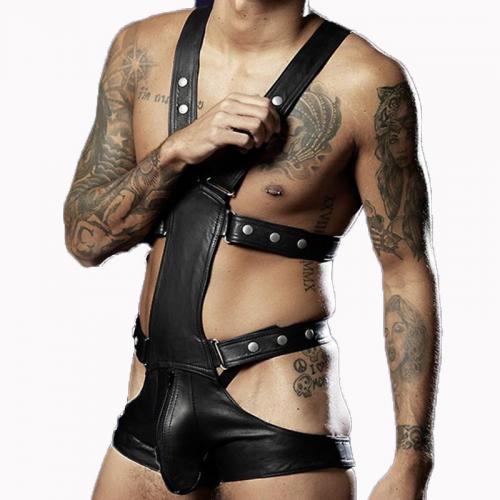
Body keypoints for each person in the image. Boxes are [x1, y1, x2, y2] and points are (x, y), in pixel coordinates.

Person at [63, 1, 441, 499]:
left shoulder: (365, 82)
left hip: (278, 404)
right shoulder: (140, 49)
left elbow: (405, 269)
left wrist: (412, 459)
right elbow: (86, 240)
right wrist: (174, 153)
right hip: (150, 398)